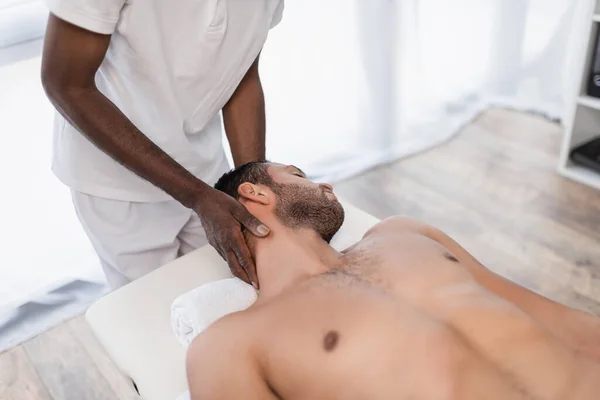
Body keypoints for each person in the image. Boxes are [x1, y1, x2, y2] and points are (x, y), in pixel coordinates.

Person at [186, 161, 600, 399]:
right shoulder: (229, 345)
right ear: (256, 194)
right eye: (299, 175)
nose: (324, 183)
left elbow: (568, 325)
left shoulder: (404, 234)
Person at [40, 0, 284, 289]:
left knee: (230, 294)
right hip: (117, 187)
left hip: (207, 170)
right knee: (157, 314)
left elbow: (241, 72)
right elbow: (66, 84)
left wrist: (252, 182)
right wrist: (197, 196)